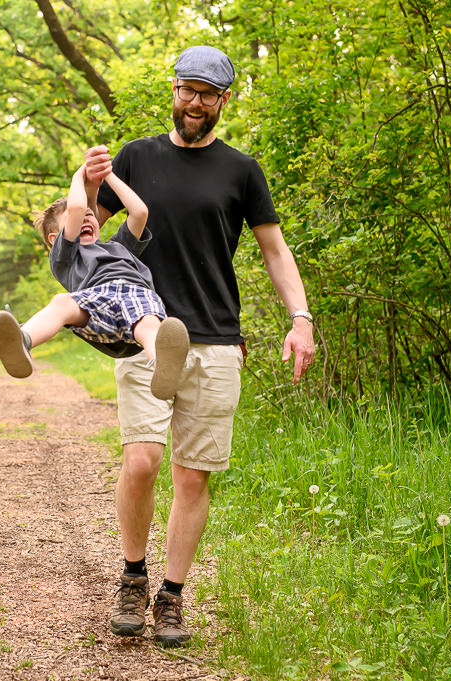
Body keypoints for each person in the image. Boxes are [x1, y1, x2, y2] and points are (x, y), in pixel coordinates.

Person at [86, 46, 316, 647]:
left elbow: (274, 250)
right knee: (142, 462)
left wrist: (300, 318)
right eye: (187, 90)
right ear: (174, 90)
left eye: (207, 94)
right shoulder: (136, 157)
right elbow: (84, 230)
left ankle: (171, 595)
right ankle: (132, 577)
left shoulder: (241, 170)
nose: (194, 103)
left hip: (215, 342)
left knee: (192, 479)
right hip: (145, 332)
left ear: (223, 100)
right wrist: (84, 186)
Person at [0, 160, 189, 401]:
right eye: (77, 218)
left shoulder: (118, 247)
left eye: (90, 215)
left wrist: (109, 175)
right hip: (95, 301)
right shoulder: (66, 255)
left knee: (148, 322)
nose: (85, 218)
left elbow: (139, 212)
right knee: (62, 302)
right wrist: (79, 175)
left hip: (134, 294)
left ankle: (161, 365)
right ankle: (21, 341)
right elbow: (76, 207)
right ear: (55, 238)